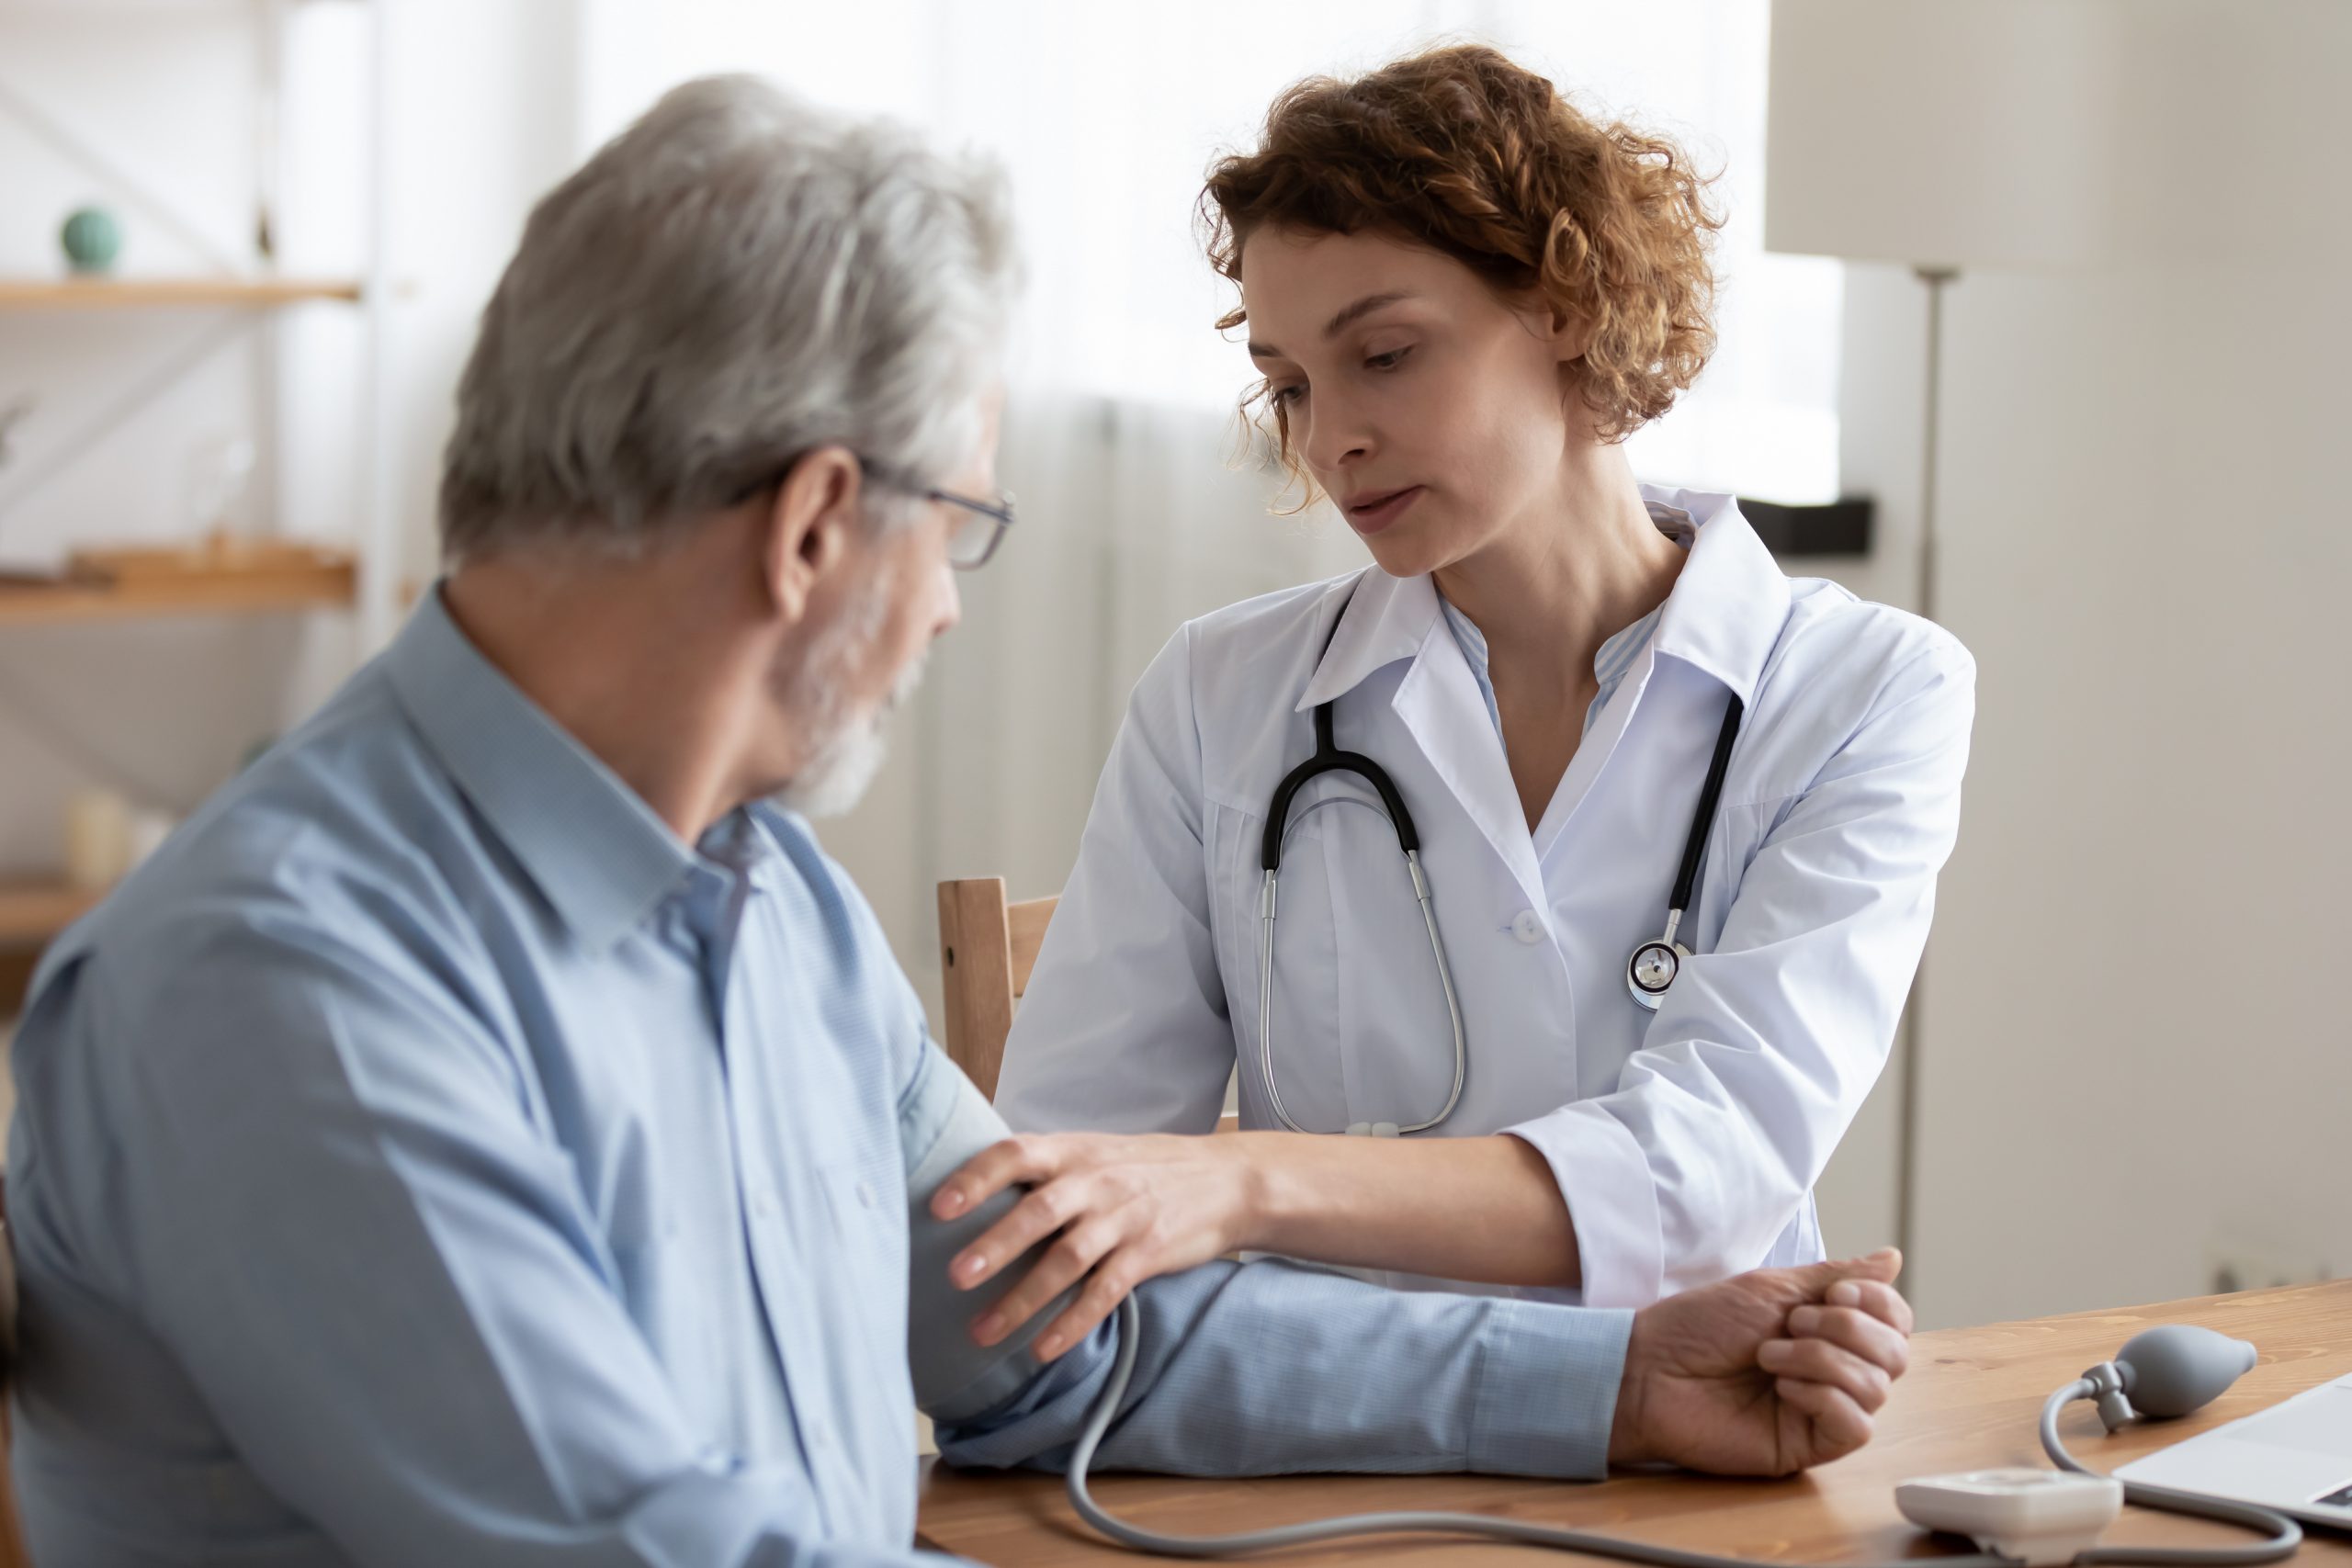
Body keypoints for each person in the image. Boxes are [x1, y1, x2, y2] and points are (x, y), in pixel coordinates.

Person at [4, 74, 1916, 1568]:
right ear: (816, 524)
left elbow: (1059, 1336)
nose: (939, 610)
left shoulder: (768, 911)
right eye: (958, 531)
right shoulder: (286, 991)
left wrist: (1611, 1384)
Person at [961, 44, 1976, 1361]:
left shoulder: (1862, 694)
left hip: (1702, 1454)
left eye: (1383, 353)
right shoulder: (1222, 696)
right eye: (1291, 385)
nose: (1330, 440)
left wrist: (1248, 1182)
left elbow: (1711, 1176)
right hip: (1325, 1440)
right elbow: (1066, 1184)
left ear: (1565, 299)